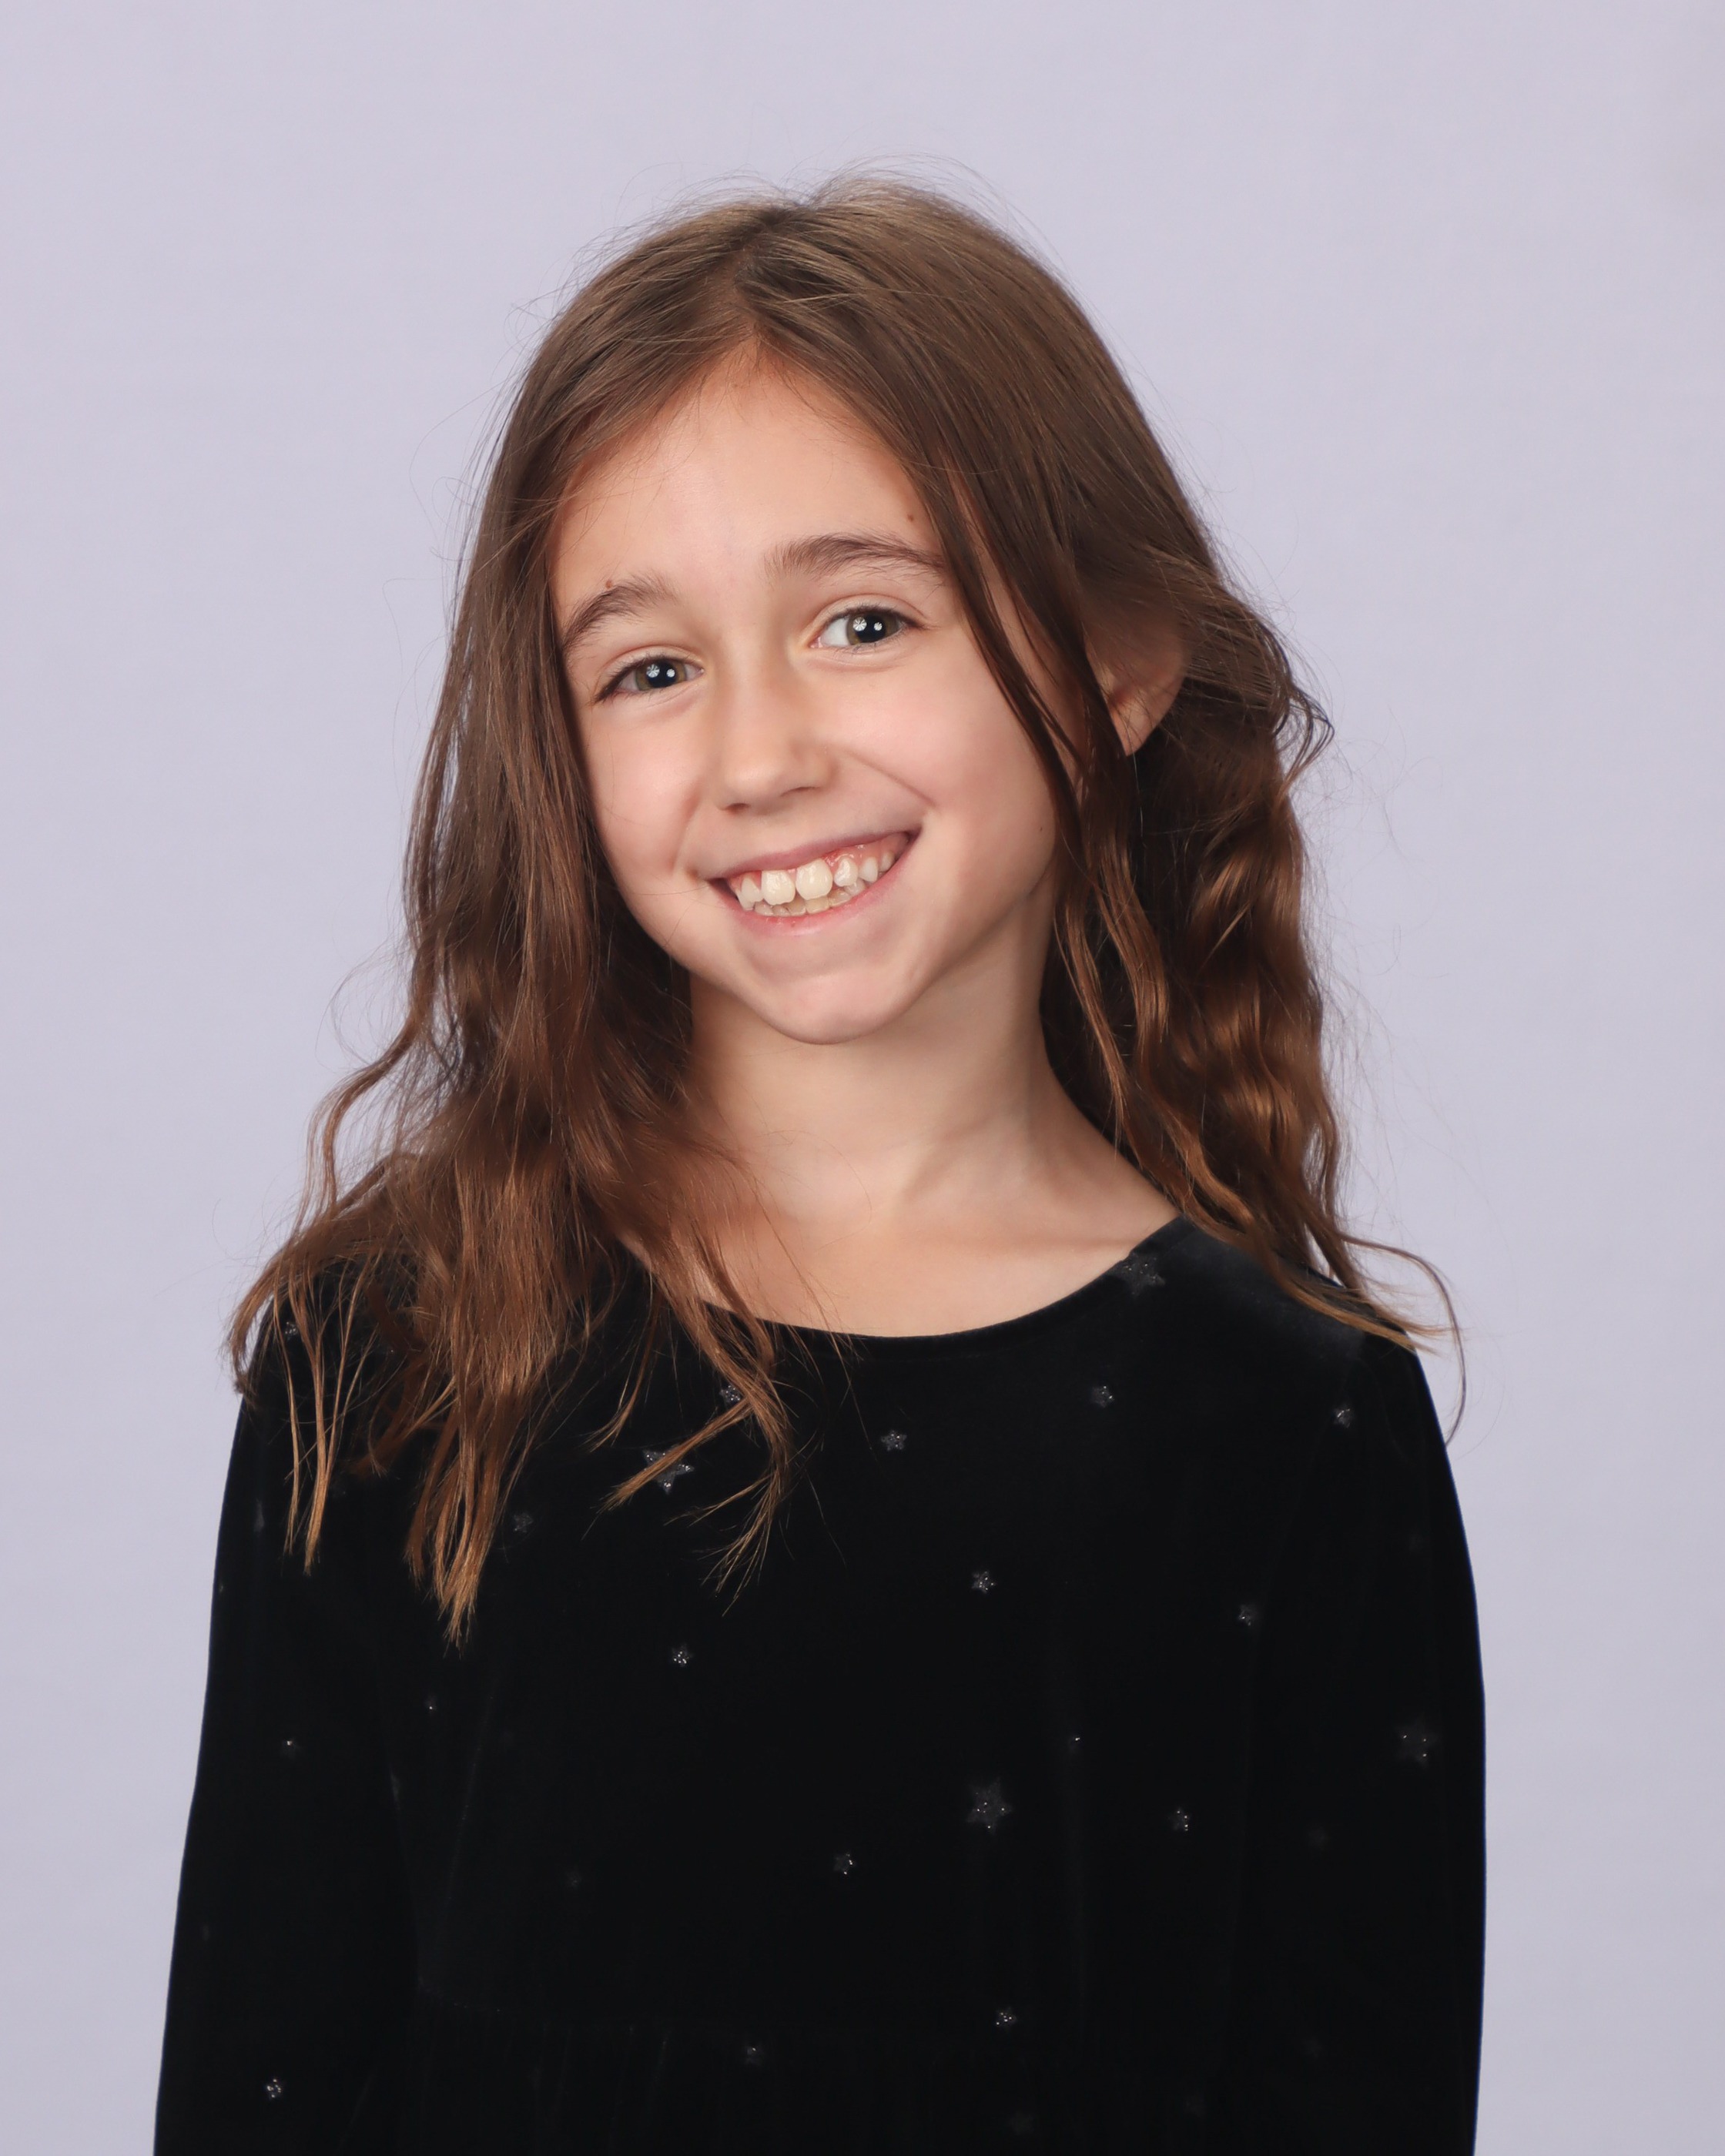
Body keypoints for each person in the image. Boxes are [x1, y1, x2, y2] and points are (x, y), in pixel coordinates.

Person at [154, 179, 1485, 2154]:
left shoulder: (1291, 1428)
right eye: (650, 668)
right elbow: (259, 2080)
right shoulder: (400, 1349)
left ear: (1119, 658)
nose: (759, 752)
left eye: (863, 621)